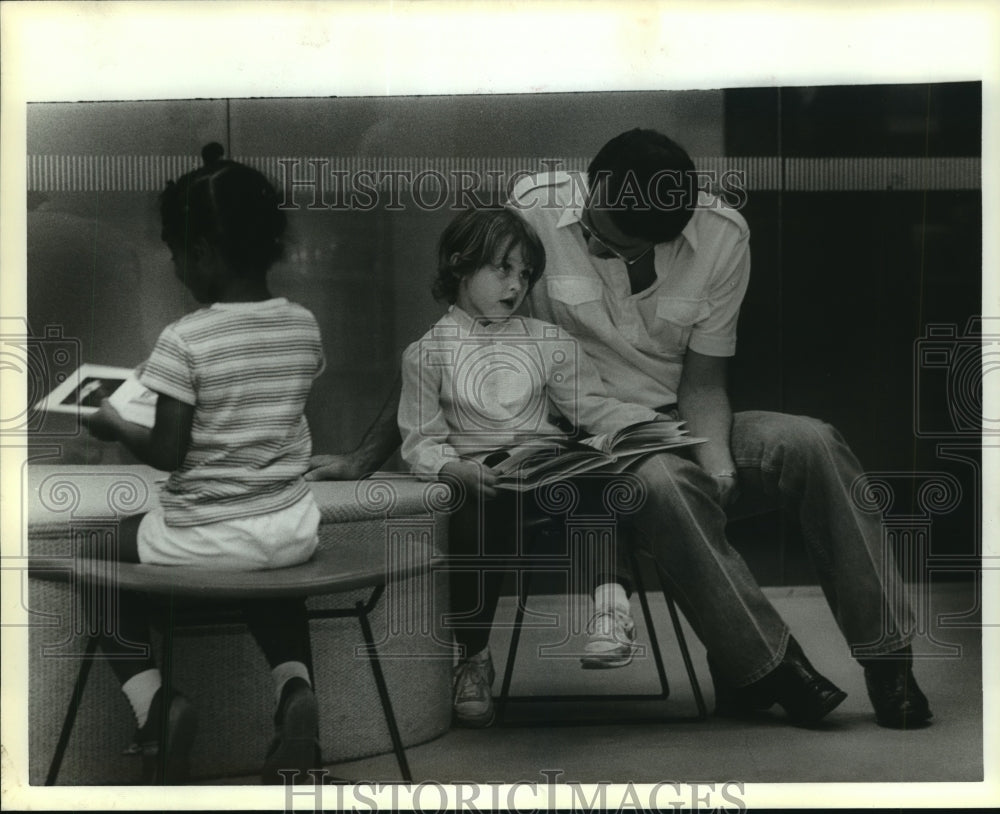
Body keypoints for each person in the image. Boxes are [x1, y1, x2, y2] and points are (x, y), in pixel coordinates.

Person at [310, 128, 931, 731]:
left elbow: (705, 384)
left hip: (664, 421)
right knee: (661, 480)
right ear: (595, 187)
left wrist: (716, 464)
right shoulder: (536, 208)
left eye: (644, 250)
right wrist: (365, 456)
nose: (626, 258)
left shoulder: (722, 236)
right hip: (573, 438)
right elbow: (458, 340)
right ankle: (770, 667)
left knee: (812, 442)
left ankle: (890, 664)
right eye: (612, 243)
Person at [83, 143, 327, 783]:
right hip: (291, 531)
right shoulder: (303, 324)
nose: (175, 267)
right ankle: (294, 691)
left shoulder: (185, 338)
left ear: (202, 255)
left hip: (205, 537)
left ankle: (155, 706)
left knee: (99, 557)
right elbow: (265, 406)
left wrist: (112, 421)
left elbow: (168, 452)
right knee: (266, 577)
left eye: (175, 254)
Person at [398, 206, 670, 726]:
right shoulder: (428, 353)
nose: (516, 285)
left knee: (592, 481)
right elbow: (419, 440)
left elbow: (592, 409)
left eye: (525, 274)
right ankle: (472, 658)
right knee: (471, 511)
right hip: (485, 483)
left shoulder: (547, 343)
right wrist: (453, 469)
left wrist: (652, 425)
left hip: (547, 476)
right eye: (502, 269)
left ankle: (611, 612)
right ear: (460, 265)